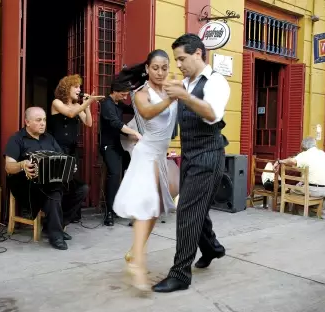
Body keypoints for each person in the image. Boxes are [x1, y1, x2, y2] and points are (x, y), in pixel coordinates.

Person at [152, 34, 231, 293]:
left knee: (187, 210)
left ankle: (180, 275)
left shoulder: (216, 82)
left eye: (182, 58)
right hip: (189, 155)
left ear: (198, 53)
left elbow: (211, 114)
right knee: (196, 209)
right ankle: (213, 248)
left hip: (209, 155)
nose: (179, 64)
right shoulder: (185, 82)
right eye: (177, 60)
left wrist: (183, 96)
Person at [112, 49, 179, 293]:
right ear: (147, 70)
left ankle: (133, 253)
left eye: (164, 67)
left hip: (161, 153)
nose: (160, 72)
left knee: (157, 208)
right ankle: (138, 265)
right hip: (146, 153)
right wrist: (173, 98)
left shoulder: (168, 89)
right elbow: (149, 113)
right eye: (155, 68)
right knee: (146, 207)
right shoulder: (141, 94)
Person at [4, 107, 89, 251]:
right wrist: (22, 164)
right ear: (27, 122)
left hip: (51, 181)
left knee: (82, 188)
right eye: (38, 120)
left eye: (44, 120)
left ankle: (56, 225)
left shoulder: (49, 138)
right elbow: (8, 167)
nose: (43, 123)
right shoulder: (17, 139)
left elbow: (61, 158)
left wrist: (69, 167)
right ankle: (55, 234)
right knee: (54, 191)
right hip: (26, 183)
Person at [48, 74, 103, 223]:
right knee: (60, 184)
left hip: (72, 150)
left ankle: (67, 217)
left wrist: (88, 105)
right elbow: (70, 113)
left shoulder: (78, 106)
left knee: (73, 184)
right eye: (76, 86)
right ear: (67, 88)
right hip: (58, 149)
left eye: (80, 87)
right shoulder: (57, 103)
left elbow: (89, 123)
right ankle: (56, 218)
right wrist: (88, 102)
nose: (79, 89)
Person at [99, 79, 142, 226]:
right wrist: (135, 133)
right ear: (115, 91)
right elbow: (116, 124)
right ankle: (109, 212)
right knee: (115, 174)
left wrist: (140, 96)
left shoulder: (119, 104)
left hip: (118, 145)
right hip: (108, 146)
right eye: (123, 94)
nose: (125, 97)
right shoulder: (107, 105)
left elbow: (133, 109)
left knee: (129, 173)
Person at [273, 136, 325, 220]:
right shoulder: (322, 153)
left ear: (303, 147)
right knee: (303, 193)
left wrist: (280, 161)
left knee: (292, 191)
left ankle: (295, 217)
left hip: (313, 190)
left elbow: (293, 161)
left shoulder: (305, 154)